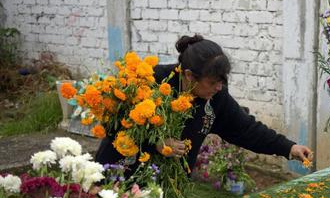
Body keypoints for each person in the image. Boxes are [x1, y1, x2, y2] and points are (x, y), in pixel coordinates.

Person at [95, 34, 313, 175]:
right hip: (120, 174)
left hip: (168, 186)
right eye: (212, 82)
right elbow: (115, 125)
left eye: (222, 81)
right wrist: (157, 143)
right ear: (189, 75)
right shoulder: (149, 82)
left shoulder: (215, 97)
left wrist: (288, 147)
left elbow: (245, 128)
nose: (219, 87)